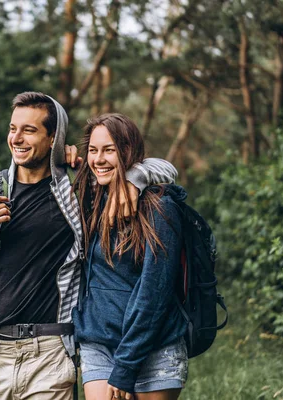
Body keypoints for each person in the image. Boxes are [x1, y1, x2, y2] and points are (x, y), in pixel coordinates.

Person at [0, 92, 178, 400]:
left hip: (50, 352)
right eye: (12, 128)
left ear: (53, 138)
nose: (16, 138)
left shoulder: (77, 190)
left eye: (29, 130)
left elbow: (166, 169)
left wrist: (133, 177)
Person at [72, 113, 188, 400]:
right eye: (93, 150)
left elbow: (154, 294)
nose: (98, 159)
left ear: (128, 153)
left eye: (109, 150)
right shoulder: (91, 197)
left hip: (155, 346)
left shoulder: (159, 208)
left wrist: (125, 366)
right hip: (98, 342)